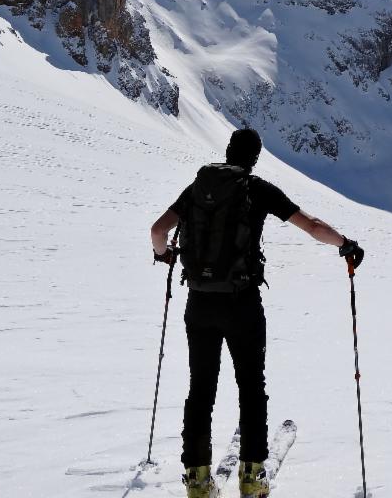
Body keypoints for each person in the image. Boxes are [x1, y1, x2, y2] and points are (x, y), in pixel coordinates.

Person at [150, 127, 364, 498]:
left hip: (199, 304)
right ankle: (251, 476)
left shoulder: (198, 188)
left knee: (200, 389)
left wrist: (164, 255)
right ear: (254, 157)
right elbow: (311, 226)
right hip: (241, 304)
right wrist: (346, 245)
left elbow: (158, 230)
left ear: (228, 151)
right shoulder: (256, 189)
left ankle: (198, 481)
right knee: (251, 387)